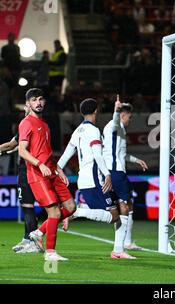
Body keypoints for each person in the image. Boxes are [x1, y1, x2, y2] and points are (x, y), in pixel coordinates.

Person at [57, 98, 135, 259]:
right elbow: (98, 155)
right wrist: (106, 174)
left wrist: (59, 170)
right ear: (96, 111)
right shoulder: (94, 131)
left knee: (117, 212)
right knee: (115, 216)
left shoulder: (77, 131)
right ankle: (76, 211)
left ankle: (118, 250)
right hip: (94, 179)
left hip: (82, 180)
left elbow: (64, 156)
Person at [18, 88, 76, 261]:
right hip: (37, 174)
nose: (38, 103)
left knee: (71, 207)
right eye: (34, 100)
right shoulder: (26, 122)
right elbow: (22, 150)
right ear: (28, 104)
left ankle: (38, 232)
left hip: (51, 171)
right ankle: (50, 253)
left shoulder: (45, 125)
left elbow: (47, 152)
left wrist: (58, 169)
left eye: (41, 99)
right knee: (55, 213)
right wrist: (39, 164)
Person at [103, 95, 148, 251]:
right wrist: (116, 110)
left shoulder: (119, 130)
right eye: (129, 116)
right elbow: (116, 121)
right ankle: (124, 244)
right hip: (116, 172)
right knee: (125, 206)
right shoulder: (115, 126)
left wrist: (136, 160)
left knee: (123, 206)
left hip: (114, 170)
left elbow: (121, 154)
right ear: (122, 116)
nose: (131, 120)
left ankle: (126, 242)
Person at [0, 107, 41, 253]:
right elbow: (14, 147)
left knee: (28, 207)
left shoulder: (27, 124)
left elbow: (11, 145)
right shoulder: (32, 126)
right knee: (27, 206)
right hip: (31, 170)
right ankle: (27, 238)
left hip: (27, 170)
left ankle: (34, 242)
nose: (25, 109)